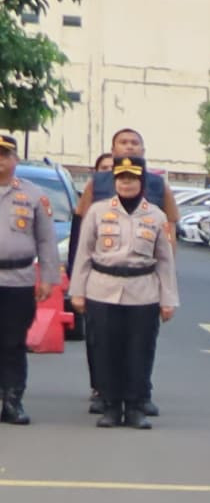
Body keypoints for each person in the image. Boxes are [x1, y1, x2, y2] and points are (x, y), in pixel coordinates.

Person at [72, 156, 177, 429]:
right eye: (122, 178)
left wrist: (168, 300)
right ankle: (110, 406)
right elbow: (83, 253)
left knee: (139, 352)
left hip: (143, 291)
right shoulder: (97, 211)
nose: (127, 183)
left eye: (132, 178)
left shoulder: (156, 216)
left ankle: (134, 407)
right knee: (105, 350)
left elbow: (165, 262)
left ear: (142, 181)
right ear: (115, 180)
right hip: (102, 288)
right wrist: (78, 292)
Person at [0, 131, 51, 426]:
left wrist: (47, 278)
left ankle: (13, 400)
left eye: (5, 156)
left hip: (18, 280)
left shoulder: (32, 194)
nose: (0, 162)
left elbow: (45, 240)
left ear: (15, 160)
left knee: (13, 342)